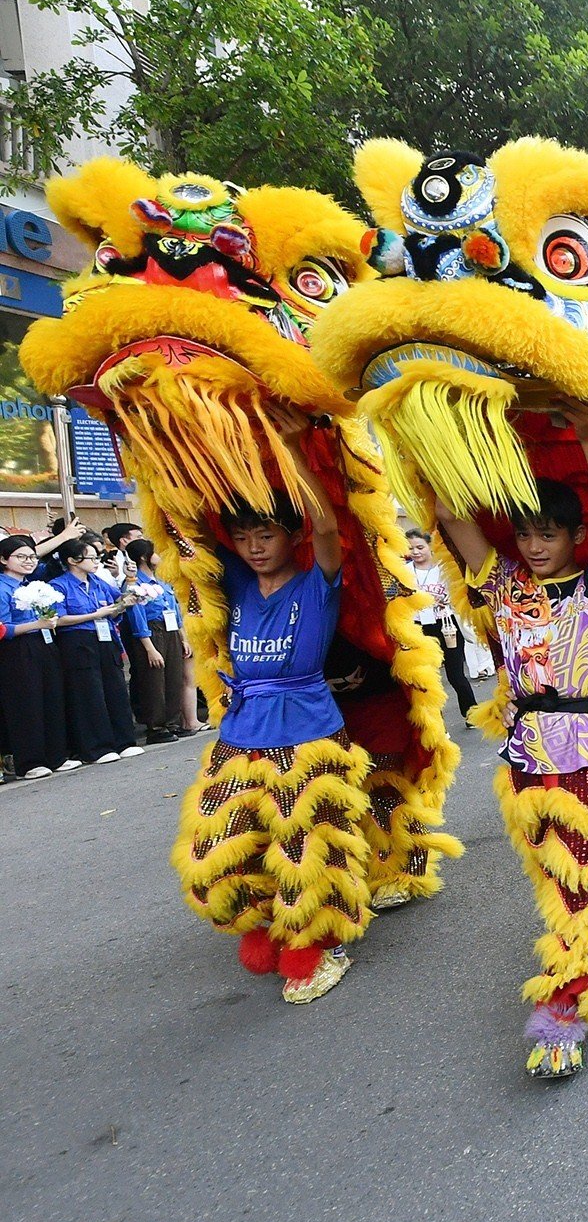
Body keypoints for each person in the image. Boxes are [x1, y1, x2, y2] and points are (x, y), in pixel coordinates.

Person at [431, 403, 588, 1078]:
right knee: (564, 883)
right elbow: (450, 518)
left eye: (548, 534)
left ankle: (564, 1012)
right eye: (526, 533)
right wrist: (451, 433)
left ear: (572, 536)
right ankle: (582, 966)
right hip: (531, 758)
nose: (535, 546)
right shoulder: (505, 587)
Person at [174, 407, 374, 1002]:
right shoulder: (234, 581)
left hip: (309, 732)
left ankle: (320, 943)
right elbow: (188, 522)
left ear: (292, 538)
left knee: (308, 852)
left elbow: (331, 530)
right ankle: (264, 919)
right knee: (212, 852)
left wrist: (292, 448)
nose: (255, 548)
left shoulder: (317, 582)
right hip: (239, 734)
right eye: (244, 538)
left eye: (267, 535)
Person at [48, 537, 144, 764]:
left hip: (106, 636)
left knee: (116, 689)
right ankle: (98, 746)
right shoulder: (59, 585)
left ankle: (124, 741)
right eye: (91, 557)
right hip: (78, 639)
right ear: (72, 560)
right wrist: (95, 615)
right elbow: (58, 619)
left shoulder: (99, 582)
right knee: (89, 693)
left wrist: (129, 595)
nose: (96, 562)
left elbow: (116, 603)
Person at [0, 535, 78, 779]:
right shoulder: (3, 587)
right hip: (17, 649)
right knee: (26, 704)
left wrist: (46, 622)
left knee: (52, 696)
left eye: (32, 556)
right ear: (3, 559)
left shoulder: (29, 584)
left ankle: (57, 755)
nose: (29, 561)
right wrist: (37, 623)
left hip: (43, 642)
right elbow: (4, 627)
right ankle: (30, 761)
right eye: (21, 557)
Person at [118, 538, 190, 744]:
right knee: (154, 680)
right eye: (156, 552)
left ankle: (172, 722)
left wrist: (182, 637)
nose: (161, 556)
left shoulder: (162, 580)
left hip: (171, 630)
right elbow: (136, 616)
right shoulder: (134, 583)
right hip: (152, 631)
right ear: (143, 557)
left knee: (173, 677)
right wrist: (149, 647)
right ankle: (156, 726)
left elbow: (174, 609)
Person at [406, 528, 477, 725]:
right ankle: (436, 721)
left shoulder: (444, 568)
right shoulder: (404, 571)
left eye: (420, 547)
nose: (416, 552)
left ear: (430, 546)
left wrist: (442, 600)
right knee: (427, 678)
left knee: (455, 675)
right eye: (411, 548)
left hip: (447, 626)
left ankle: (471, 713)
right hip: (419, 628)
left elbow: (459, 593)